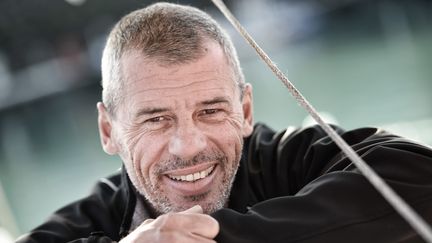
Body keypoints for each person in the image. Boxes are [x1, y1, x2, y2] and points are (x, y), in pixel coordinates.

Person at [17, 2, 432, 243]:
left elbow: (419, 177)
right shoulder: (89, 220)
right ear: (109, 130)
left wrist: (214, 235)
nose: (189, 145)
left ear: (246, 111)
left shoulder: (286, 159)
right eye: (157, 119)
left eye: (211, 111)